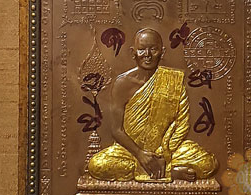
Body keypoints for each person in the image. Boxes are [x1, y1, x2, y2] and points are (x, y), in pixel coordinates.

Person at [88, 28, 217, 182]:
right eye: (142, 49)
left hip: (168, 150)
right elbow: (117, 130)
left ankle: (159, 168)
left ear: (162, 52)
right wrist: (140, 154)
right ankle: (170, 172)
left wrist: (163, 154)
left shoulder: (173, 80)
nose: (147, 55)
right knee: (97, 165)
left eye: (153, 49)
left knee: (208, 163)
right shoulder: (122, 84)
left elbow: (182, 124)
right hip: (130, 151)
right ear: (133, 52)